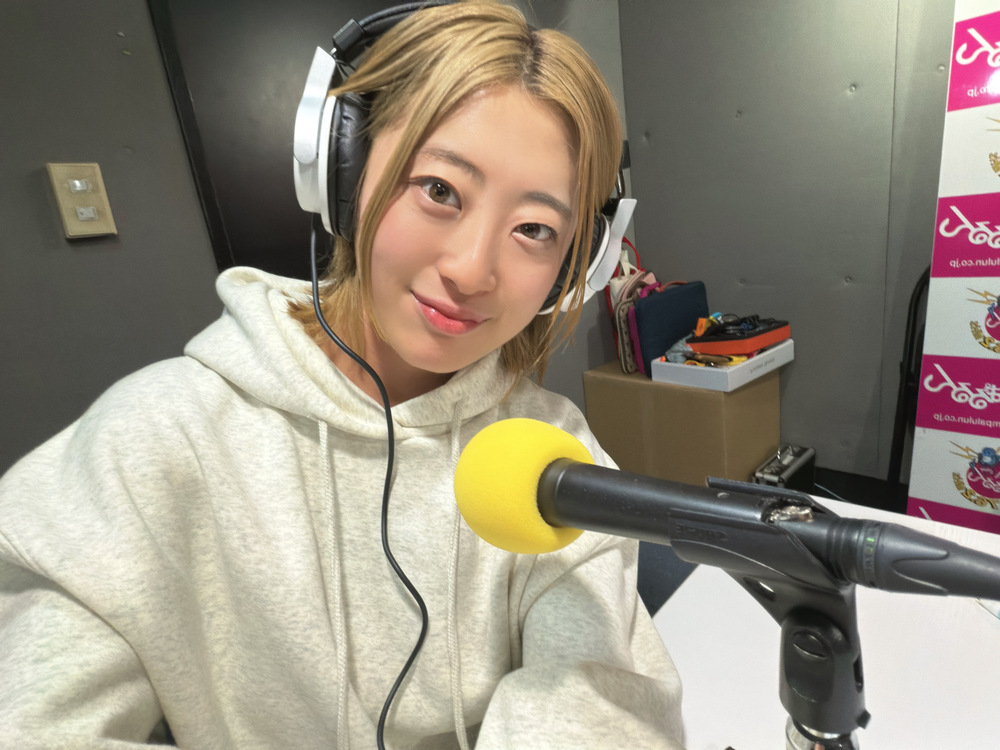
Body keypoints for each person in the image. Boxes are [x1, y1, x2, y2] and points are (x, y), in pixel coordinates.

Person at [0, 2, 685, 748]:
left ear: (577, 265)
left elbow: (601, 703)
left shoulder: (549, 451)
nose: (471, 270)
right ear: (342, 172)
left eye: (534, 230)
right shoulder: (153, 440)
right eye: (439, 190)